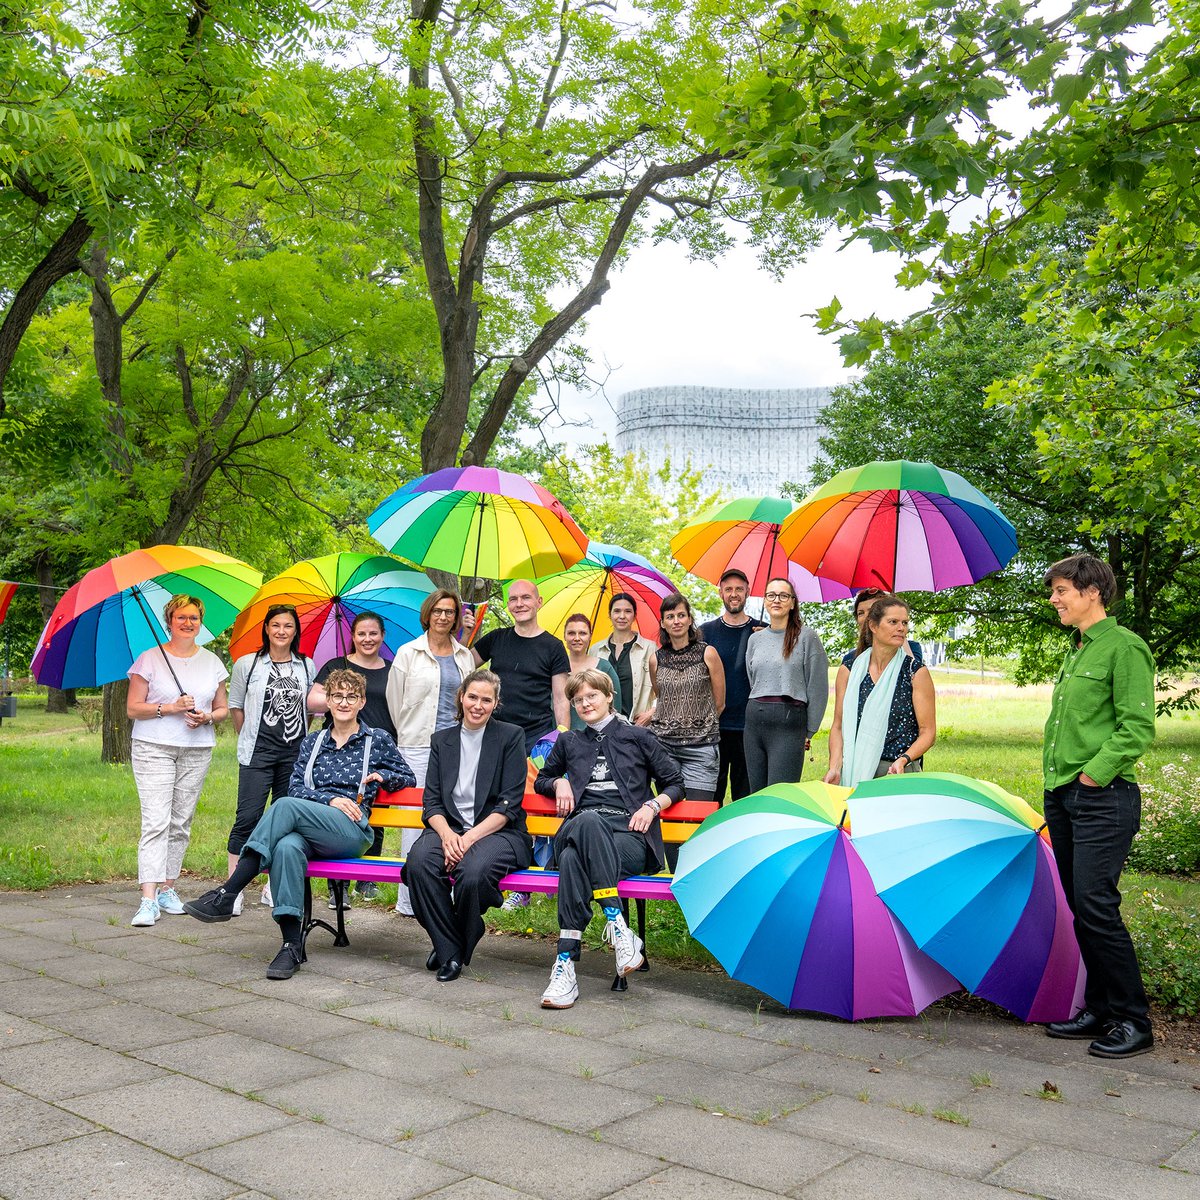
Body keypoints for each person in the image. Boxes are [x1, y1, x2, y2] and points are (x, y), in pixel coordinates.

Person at [182, 668, 415, 980]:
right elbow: (296, 787)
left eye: (351, 697)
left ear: (361, 702)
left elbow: (408, 776)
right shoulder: (313, 742)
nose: (344, 702)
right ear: (327, 701)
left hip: (351, 830)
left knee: (283, 806)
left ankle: (229, 891)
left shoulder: (377, 740)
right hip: (314, 826)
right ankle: (291, 945)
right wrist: (329, 800)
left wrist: (382, 776)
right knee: (287, 847)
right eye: (337, 696)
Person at [1040, 554, 1156, 1060]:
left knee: (1096, 906)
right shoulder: (1079, 649)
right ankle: (1101, 1008)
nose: (1054, 599)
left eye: (1061, 590)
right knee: (1081, 908)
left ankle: (1133, 1021)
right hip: (1064, 794)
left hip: (1102, 797)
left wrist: (1091, 777)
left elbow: (1137, 728)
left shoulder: (1124, 647)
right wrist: (1063, 785)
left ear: (1092, 591)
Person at [534, 669, 685, 1009]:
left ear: (609, 696)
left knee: (572, 860)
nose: (585, 704)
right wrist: (558, 782)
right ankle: (618, 924)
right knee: (588, 820)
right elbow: (543, 779)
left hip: (627, 837)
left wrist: (652, 805)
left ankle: (565, 964)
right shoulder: (569, 741)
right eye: (578, 700)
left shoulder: (638, 737)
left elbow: (675, 782)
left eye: (592, 696)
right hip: (579, 828)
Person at [403, 669, 532, 981]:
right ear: (461, 697)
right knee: (419, 864)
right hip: (448, 828)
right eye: (472, 697)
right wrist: (448, 836)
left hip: (499, 832)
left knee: (473, 873)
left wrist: (466, 840)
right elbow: (432, 801)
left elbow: (509, 805)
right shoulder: (442, 741)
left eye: (486, 700)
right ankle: (451, 945)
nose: (478, 705)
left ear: (495, 703)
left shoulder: (510, 737)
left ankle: (449, 946)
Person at [125, 595, 229, 928]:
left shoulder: (212, 662)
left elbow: (223, 709)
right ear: (169, 621)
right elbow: (132, 708)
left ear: (201, 622)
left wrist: (206, 717)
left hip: (196, 749)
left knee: (181, 821)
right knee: (156, 821)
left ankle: (168, 887)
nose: (188, 623)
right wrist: (170, 708)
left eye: (194, 618)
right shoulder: (149, 659)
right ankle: (148, 899)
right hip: (153, 747)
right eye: (181, 617)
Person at [473, 579, 569, 908]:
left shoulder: (553, 646)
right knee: (494, 806)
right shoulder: (496, 639)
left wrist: (561, 736)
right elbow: (462, 663)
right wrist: (466, 631)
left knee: (529, 810)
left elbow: (560, 697)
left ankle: (525, 886)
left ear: (538, 602)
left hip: (537, 741)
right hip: (496, 737)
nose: (519, 603)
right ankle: (488, 871)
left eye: (525, 597)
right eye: (513, 599)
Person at [386, 589, 476, 915]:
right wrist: (408, 735)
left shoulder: (464, 656)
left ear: (456, 617)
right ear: (428, 613)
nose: (443, 616)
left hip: (457, 749)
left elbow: (469, 702)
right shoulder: (408, 653)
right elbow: (395, 702)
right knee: (415, 822)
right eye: (438, 610)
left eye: (450, 612)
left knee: (454, 818)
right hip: (417, 747)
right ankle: (409, 900)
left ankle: (444, 893)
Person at [226, 605, 315, 915]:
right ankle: (233, 888)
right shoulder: (247, 664)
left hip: (294, 756)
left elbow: (310, 710)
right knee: (247, 818)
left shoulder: (307, 665)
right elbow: (236, 706)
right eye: (275, 625)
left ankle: (273, 886)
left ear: (295, 630)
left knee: (285, 822)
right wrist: (249, 736)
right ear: (266, 628)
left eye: (287, 625)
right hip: (257, 753)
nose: (281, 631)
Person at [308, 612, 394, 903]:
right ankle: (339, 885)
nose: (367, 639)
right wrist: (343, 696)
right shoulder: (337, 666)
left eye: (373, 633)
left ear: (382, 636)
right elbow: (312, 700)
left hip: (379, 748)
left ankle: (367, 878)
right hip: (341, 748)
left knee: (375, 815)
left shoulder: (393, 669)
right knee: (341, 813)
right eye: (361, 634)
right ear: (353, 637)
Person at [824, 595, 935, 788]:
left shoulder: (915, 672)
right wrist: (835, 766)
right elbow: (838, 726)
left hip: (897, 771)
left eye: (905, 623)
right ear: (873, 626)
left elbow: (928, 732)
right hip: (853, 769)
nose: (901, 628)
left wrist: (904, 759)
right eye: (893, 622)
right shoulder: (849, 670)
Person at [743, 576, 829, 792]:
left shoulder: (807, 637)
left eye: (783, 595)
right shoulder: (755, 639)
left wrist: (810, 730)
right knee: (756, 794)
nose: (776, 600)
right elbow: (753, 679)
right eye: (771, 595)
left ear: (792, 603)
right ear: (764, 601)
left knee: (780, 794)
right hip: (754, 721)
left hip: (788, 723)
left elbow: (817, 687)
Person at [640, 592, 726, 804]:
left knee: (698, 813)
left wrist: (698, 727)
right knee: (670, 813)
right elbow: (662, 697)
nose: (676, 621)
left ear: (689, 619)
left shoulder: (708, 653)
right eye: (670, 617)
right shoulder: (655, 660)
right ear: (663, 623)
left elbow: (719, 703)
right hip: (665, 748)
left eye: (681, 615)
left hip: (701, 748)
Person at [699, 569, 765, 803]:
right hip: (714, 724)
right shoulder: (705, 632)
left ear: (748, 592)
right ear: (720, 593)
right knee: (710, 793)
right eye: (728, 589)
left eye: (739, 589)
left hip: (749, 725)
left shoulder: (763, 630)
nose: (734, 594)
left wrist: (768, 640)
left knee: (744, 794)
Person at [591, 592, 656, 720]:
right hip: (603, 725)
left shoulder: (650, 648)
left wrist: (650, 714)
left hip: (637, 724)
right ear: (610, 615)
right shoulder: (595, 650)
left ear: (634, 615)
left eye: (627, 611)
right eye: (617, 611)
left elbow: (664, 688)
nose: (622, 616)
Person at [563, 611, 622, 729]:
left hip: (599, 735)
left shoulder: (604, 667)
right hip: (560, 734)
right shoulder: (555, 668)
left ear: (590, 636)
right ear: (564, 636)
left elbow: (616, 706)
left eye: (582, 633)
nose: (577, 638)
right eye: (571, 633)